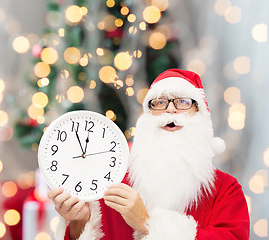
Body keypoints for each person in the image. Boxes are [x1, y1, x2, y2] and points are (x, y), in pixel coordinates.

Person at [48, 69, 250, 240]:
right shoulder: (112, 182)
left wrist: (147, 222)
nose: (171, 110)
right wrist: (79, 222)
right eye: (159, 102)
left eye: (183, 102)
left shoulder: (226, 190)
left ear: (200, 115)